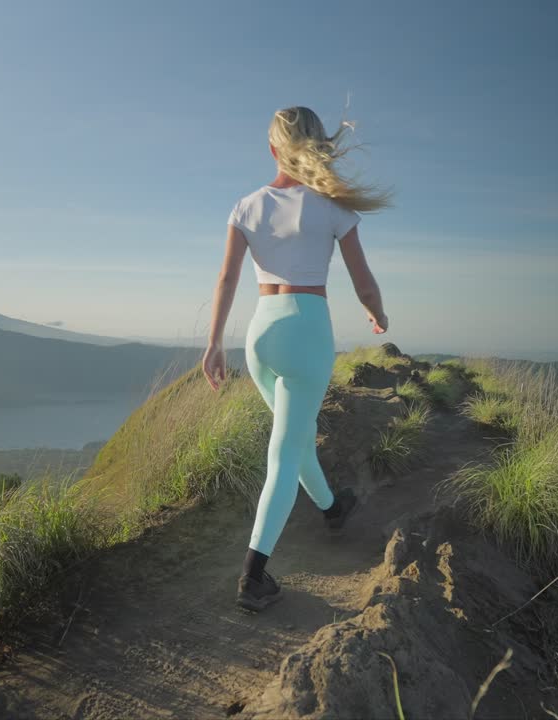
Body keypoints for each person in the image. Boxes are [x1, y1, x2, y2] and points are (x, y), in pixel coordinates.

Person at [202, 106, 392, 612]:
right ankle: (253, 575)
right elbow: (363, 280)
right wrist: (378, 314)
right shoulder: (331, 208)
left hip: (261, 331)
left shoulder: (246, 206)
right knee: (283, 454)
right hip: (308, 329)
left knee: (295, 436)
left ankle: (332, 508)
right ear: (318, 146)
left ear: (272, 149)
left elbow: (225, 281)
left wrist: (215, 342)